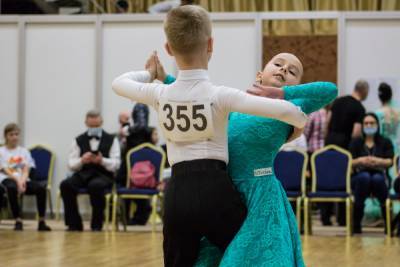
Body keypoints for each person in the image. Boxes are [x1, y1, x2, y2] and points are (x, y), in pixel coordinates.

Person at [112, 5, 308, 266]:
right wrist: (296, 128)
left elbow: (119, 83)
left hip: (177, 194)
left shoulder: (159, 94)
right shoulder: (221, 95)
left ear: (169, 49)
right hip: (217, 190)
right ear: (211, 45)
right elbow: (291, 112)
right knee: (243, 256)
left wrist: (149, 74)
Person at [154, 51, 337, 266]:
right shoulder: (236, 104)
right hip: (223, 194)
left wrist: (283, 94)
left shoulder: (292, 106)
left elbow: (330, 90)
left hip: (261, 197)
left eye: (292, 71)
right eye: (278, 64)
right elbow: (197, 99)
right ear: (260, 74)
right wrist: (164, 77)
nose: (284, 69)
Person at [60, 110, 120, 231]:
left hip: (104, 175)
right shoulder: (78, 140)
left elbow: (116, 164)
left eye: (97, 126)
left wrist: (102, 160)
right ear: (86, 123)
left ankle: (97, 224)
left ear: (101, 123)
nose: (94, 128)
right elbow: (71, 164)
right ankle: (74, 223)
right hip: (83, 173)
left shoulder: (112, 139)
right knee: (66, 185)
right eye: (91, 126)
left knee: (95, 186)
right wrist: (82, 160)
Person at [324, 79, 369, 226]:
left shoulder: (338, 101)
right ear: (364, 91)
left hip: (330, 141)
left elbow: (327, 122)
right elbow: (356, 133)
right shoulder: (360, 108)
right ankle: (342, 218)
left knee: (327, 179)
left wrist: (328, 139)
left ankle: (325, 217)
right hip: (344, 145)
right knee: (343, 181)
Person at [0, 123, 51, 231]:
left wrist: (22, 181)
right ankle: (18, 220)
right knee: (12, 187)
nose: (14, 137)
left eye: (16, 134)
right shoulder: (1, 151)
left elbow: (26, 169)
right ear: (6, 136)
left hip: (23, 179)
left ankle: (41, 221)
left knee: (41, 189)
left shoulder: (24, 151)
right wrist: (18, 181)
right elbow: (5, 169)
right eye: (11, 135)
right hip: (6, 178)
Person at [349, 113, 394, 234]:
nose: (369, 125)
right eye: (366, 123)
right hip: (359, 177)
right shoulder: (356, 142)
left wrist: (377, 161)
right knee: (364, 177)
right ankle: (356, 223)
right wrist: (360, 160)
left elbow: (390, 161)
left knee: (377, 179)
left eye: (372, 123)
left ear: (377, 125)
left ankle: (388, 224)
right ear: (363, 126)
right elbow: (349, 161)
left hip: (379, 175)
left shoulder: (385, 141)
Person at [375, 82, 399, 155]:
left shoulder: (377, 113)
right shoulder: (397, 112)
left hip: (383, 146)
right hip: (396, 145)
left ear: (379, 97)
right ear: (391, 96)